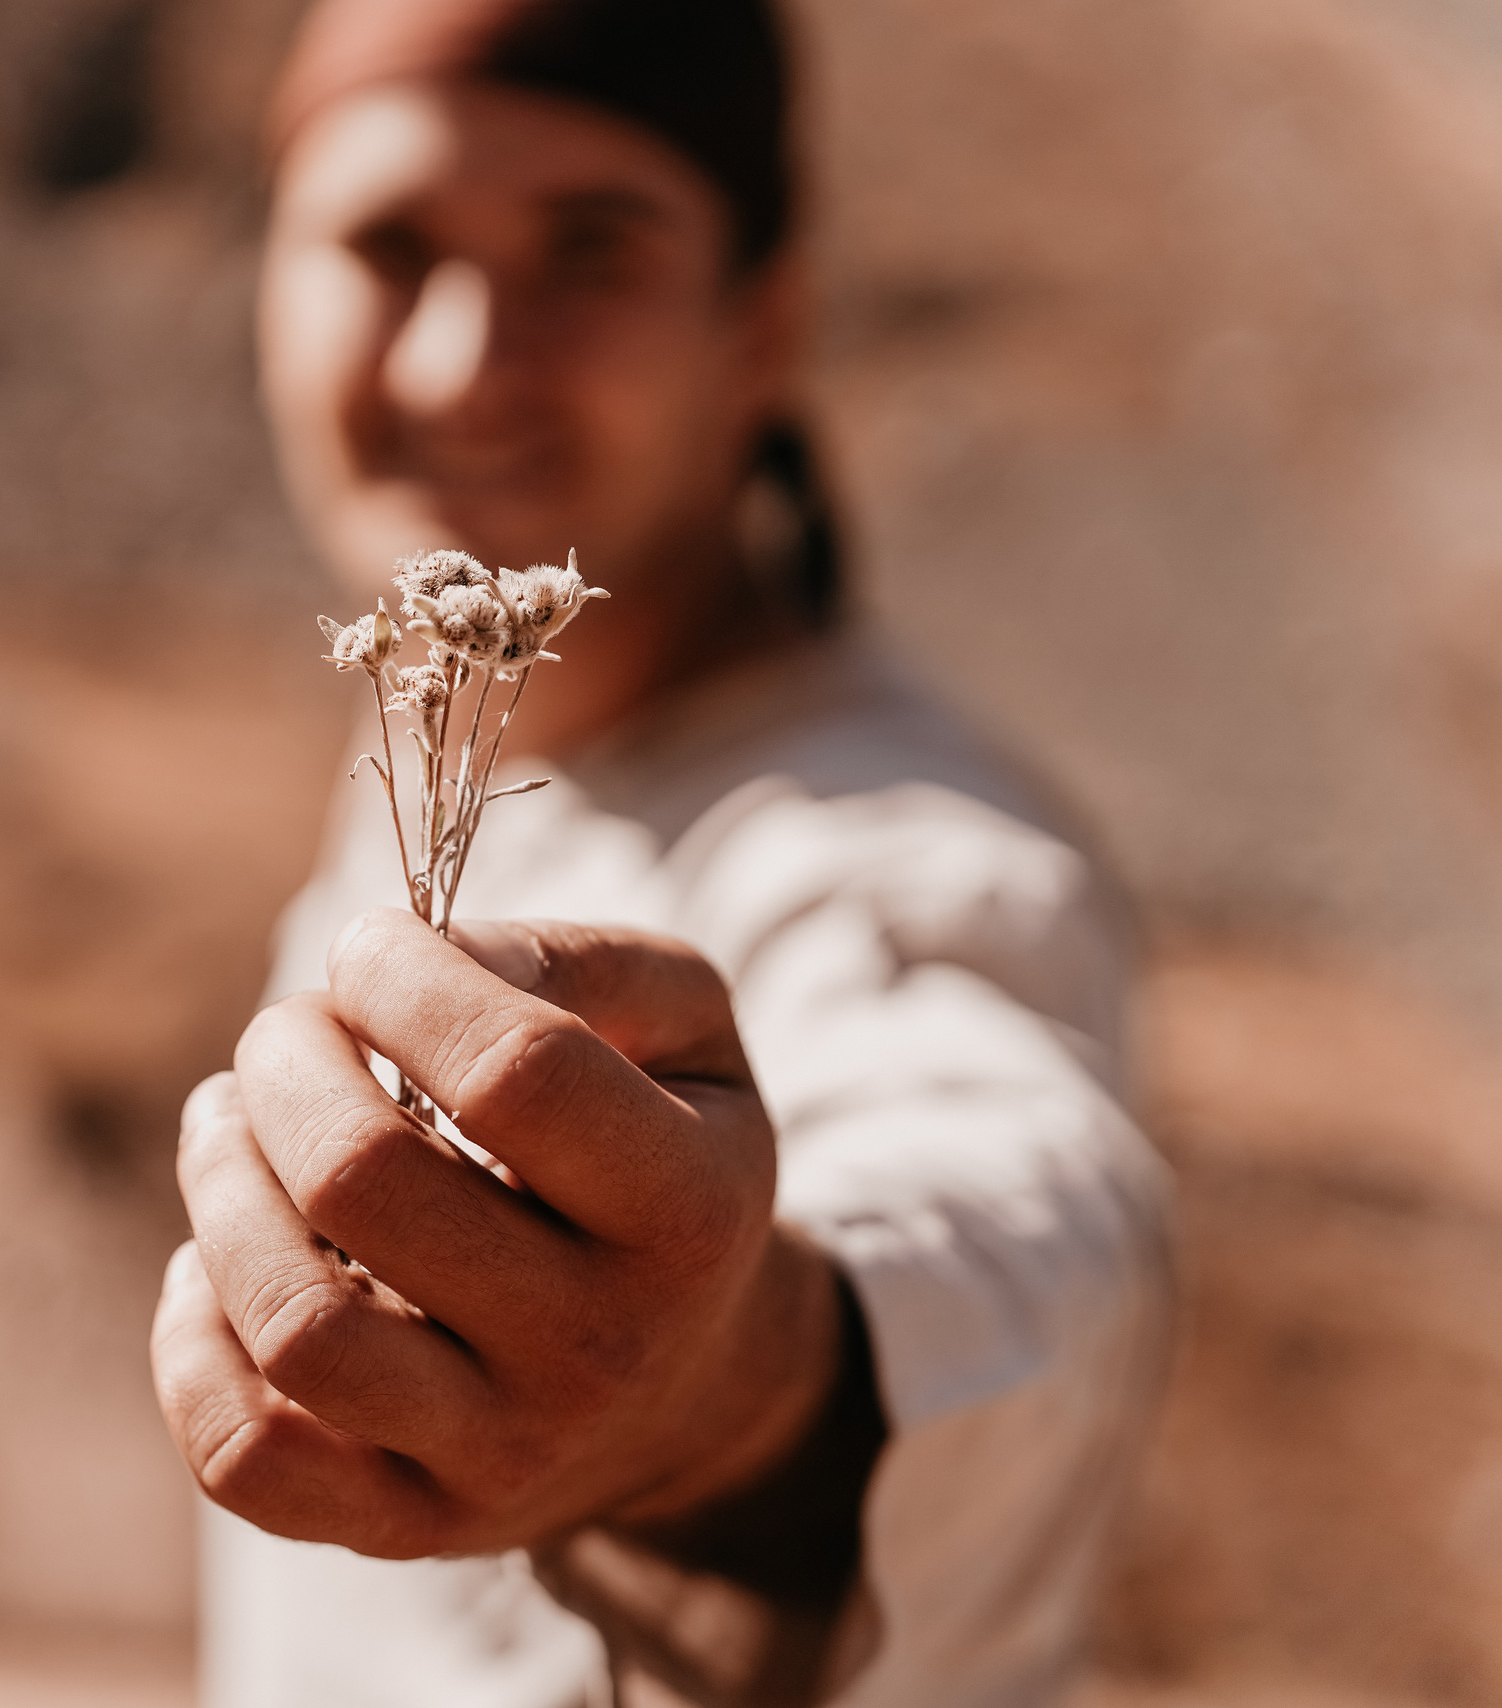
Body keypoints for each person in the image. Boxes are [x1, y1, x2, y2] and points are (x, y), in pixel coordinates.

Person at [144, 2, 1175, 1704]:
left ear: (762, 330)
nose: (463, 360)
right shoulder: (441, 753)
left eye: (590, 254)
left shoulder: (902, 850)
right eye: (388, 247)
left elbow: (1027, 1230)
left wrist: (732, 1389)